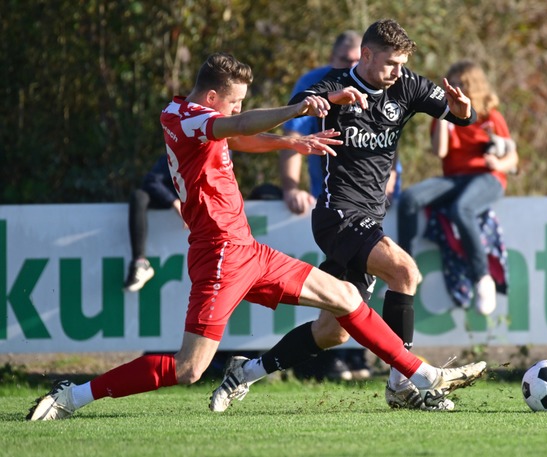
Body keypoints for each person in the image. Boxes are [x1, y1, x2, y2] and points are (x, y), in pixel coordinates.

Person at [27, 51, 485, 421]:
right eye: (235, 101)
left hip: (247, 249)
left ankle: (418, 375)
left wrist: (289, 142)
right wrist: (299, 110)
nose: (240, 109)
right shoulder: (187, 117)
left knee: (347, 296)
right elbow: (240, 127)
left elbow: (238, 136)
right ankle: (76, 395)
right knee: (189, 369)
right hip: (221, 255)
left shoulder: (190, 115)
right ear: (211, 97)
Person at [211, 19, 486, 413]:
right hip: (336, 214)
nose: (397, 72)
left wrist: (464, 111)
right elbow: (303, 104)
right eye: (390, 63)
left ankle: (244, 373)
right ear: (367, 54)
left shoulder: (406, 85)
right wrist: (317, 103)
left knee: (333, 331)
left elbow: (461, 117)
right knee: (404, 271)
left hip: (369, 220)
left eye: (402, 63)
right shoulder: (334, 83)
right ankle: (403, 384)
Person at [279, 30, 374, 382]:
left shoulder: (374, 86)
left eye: (356, 61)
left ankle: (355, 358)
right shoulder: (315, 85)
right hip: (330, 206)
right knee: (341, 284)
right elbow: (292, 138)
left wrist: (385, 187)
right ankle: (329, 360)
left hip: (368, 207)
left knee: (361, 283)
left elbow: (386, 155)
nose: (351, 67)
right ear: (331, 60)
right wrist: (291, 186)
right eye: (344, 61)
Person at [397, 59, 519, 316]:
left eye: (460, 84)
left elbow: (513, 157)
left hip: (488, 177)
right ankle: (404, 264)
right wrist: (443, 115)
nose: (454, 88)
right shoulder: (444, 117)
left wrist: (498, 161)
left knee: (461, 208)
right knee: (409, 198)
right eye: (450, 83)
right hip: (454, 178)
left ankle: (482, 277)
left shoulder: (490, 116)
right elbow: (440, 151)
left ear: (473, 86)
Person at [123, 155, 184, 292]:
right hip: (170, 199)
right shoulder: (182, 145)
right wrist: (174, 203)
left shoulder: (222, 151)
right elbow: (151, 180)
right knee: (139, 196)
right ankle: (140, 263)